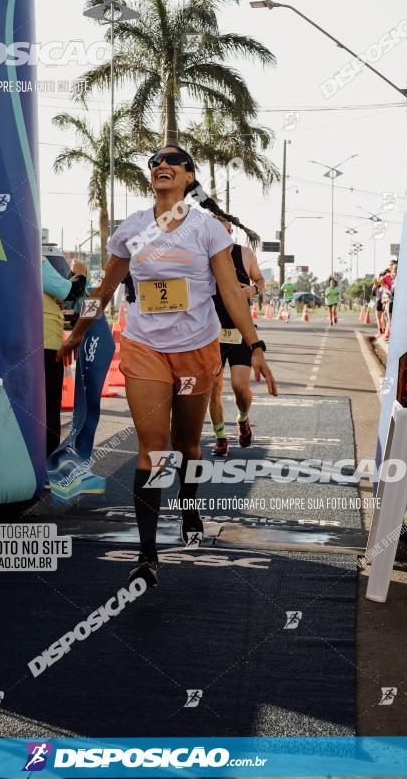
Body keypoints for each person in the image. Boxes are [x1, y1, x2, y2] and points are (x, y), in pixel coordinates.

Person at [58, 144, 277, 588]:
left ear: (189, 176)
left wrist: (255, 343)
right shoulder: (133, 228)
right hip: (144, 348)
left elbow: (231, 292)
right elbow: (105, 288)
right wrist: (78, 333)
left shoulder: (207, 229)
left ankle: (189, 504)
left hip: (197, 348)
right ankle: (146, 553)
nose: (160, 165)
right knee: (153, 448)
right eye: (154, 162)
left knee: (188, 448)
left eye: (171, 161)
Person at [209, 219, 265, 456]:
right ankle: (221, 437)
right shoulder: (203, 257)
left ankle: (242, 419)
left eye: (225, 230)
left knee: (240, 387)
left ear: (231, 233)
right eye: (215, 229)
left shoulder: (245, 254)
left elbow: (261, 281)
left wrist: (251, 290)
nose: (221, 234)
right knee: (214, 388)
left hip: (240, 330)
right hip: (212, 332)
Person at [43, 258, 86, 459]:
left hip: (22, 343)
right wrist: (81, 271)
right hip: (47, 344)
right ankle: (48, 461)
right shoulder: (35, 257)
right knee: (51, 407)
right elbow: (71, 292)